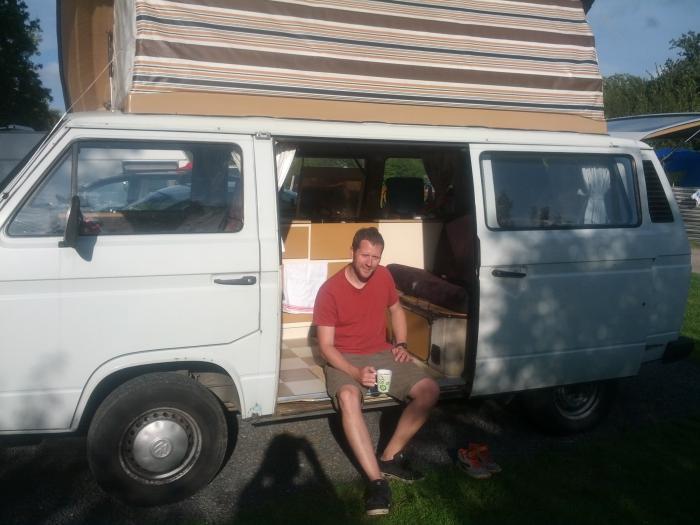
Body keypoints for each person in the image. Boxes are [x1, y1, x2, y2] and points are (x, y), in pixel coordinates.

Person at [313, 227, 440, 516]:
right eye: (365, 255)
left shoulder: (383, 276)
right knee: (348, 397)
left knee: (429, 390)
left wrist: (402, 343)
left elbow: (396, 309)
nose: (370, 263)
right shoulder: (330, 290)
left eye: (376, 257)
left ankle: (389, 457)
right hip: (343, 357)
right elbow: (326, 347)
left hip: (382, 352)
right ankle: (376, 481)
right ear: (352, 252)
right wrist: (356, 374)